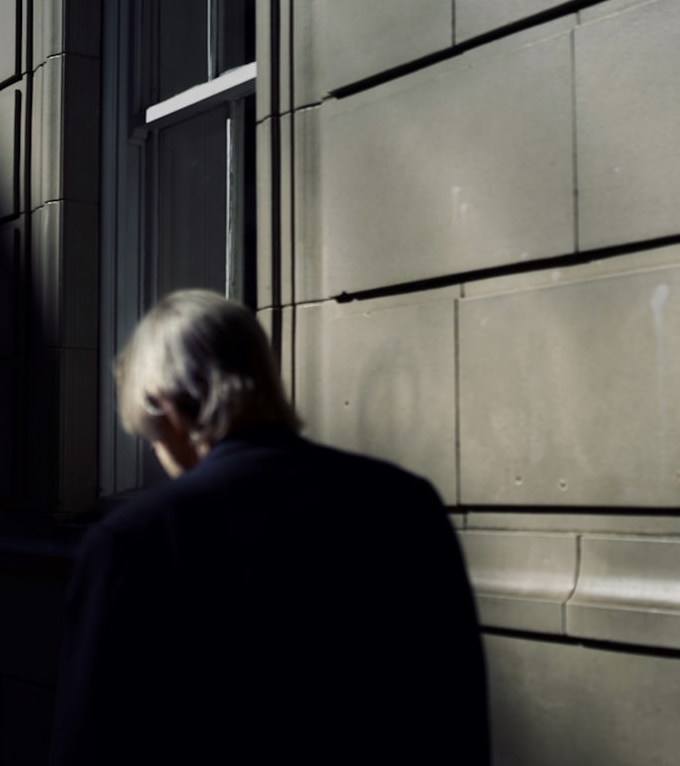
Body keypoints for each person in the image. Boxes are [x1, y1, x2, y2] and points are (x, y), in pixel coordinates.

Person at [49, 289, 489, 765]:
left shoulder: (134, 540)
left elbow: (90, 745)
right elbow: (457, 716)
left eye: (149, 435)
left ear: (165, 405)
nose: (158, 452)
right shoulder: (404, 502)